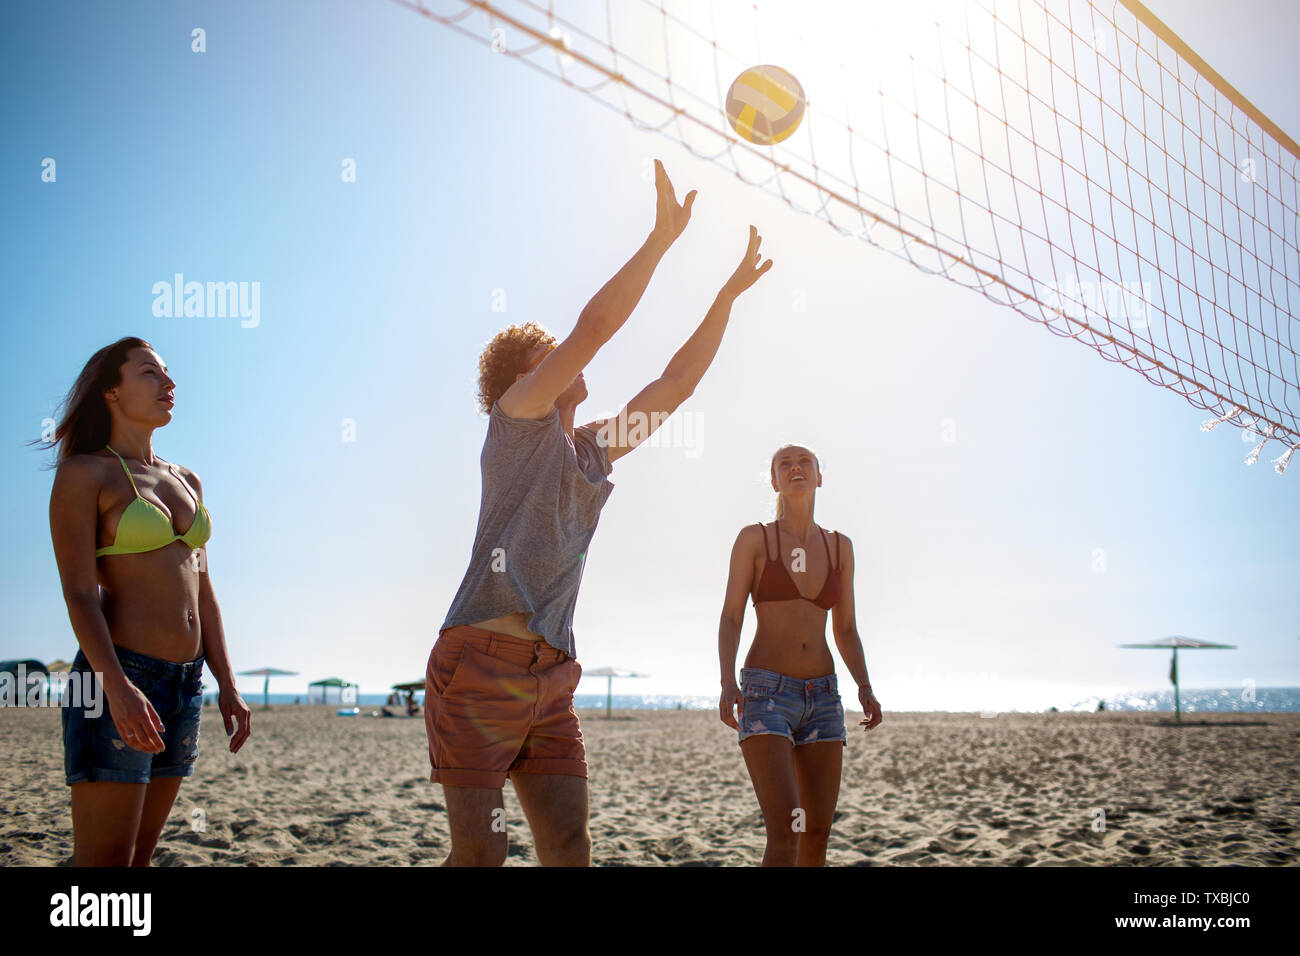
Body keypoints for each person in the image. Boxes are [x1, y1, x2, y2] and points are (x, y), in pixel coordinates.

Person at [427, 158, 773, 866]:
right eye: (545, 353)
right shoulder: (516, 417)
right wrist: (661, 241)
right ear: (522, 378)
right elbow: (595, 326)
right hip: (480, 663)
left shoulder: (590, 452)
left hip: (553, 674)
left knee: (568, 845)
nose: (565, 355)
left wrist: (727, 295)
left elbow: (673, 385)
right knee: (481, 856)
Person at [43, 336, 251, 866]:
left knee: (139, 855)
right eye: (150, 373)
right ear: (111, 392)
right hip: (119, 676)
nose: (169, 383)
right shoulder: (85, 473)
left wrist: (226, 682)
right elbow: (79, 593)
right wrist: (116, 685)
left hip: (185, 684)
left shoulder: (187, 480)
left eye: (167, 373)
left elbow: (203, 590)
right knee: (104, 859)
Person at [718, 444, 883, 866]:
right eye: (785, 464)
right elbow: (732, 616)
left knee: (817, 832)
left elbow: (845, 628)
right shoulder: (755, 539)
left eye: (804, 462)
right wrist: (726, 683)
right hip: (766, 692)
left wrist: (865, 687)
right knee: (786, 829)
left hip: (824, 697)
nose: (795, 468)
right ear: (774, 481)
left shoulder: (839, 547)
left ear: (819, 477)